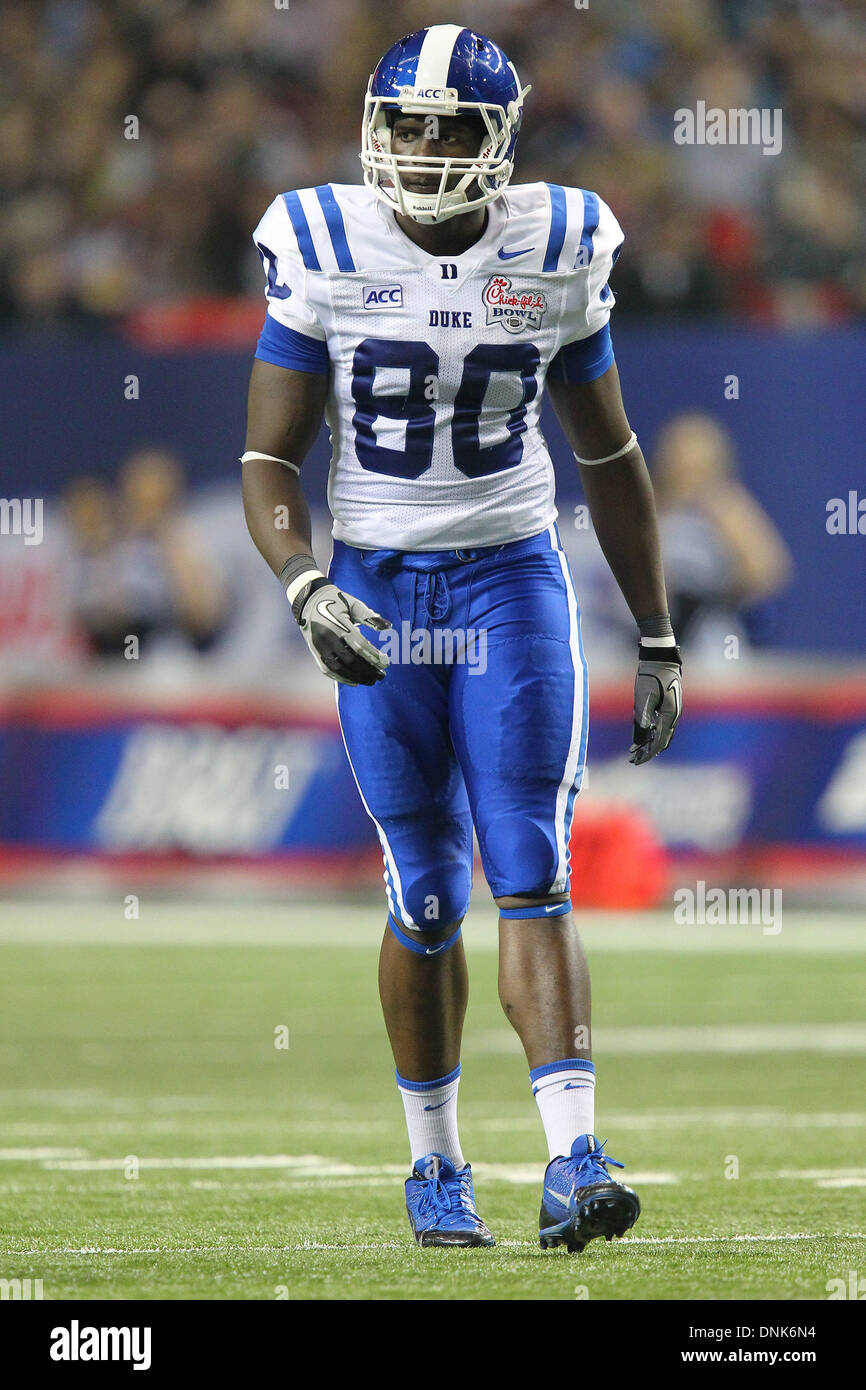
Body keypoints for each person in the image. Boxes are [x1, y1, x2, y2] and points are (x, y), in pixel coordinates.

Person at [241, 25, 682, 1253]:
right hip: (377, 581)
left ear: (499, 136)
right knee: (426, 891)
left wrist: (655, 635)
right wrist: (302, 585)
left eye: (449, 126)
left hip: (506, 578)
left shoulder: (555, 244)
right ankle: (434, 1166)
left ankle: (572, 1158)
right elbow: (268, 455)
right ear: (375, 124)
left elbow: (607, 452)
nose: (424, 149)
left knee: (529, 860)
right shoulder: (321, 241)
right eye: (407, 122)